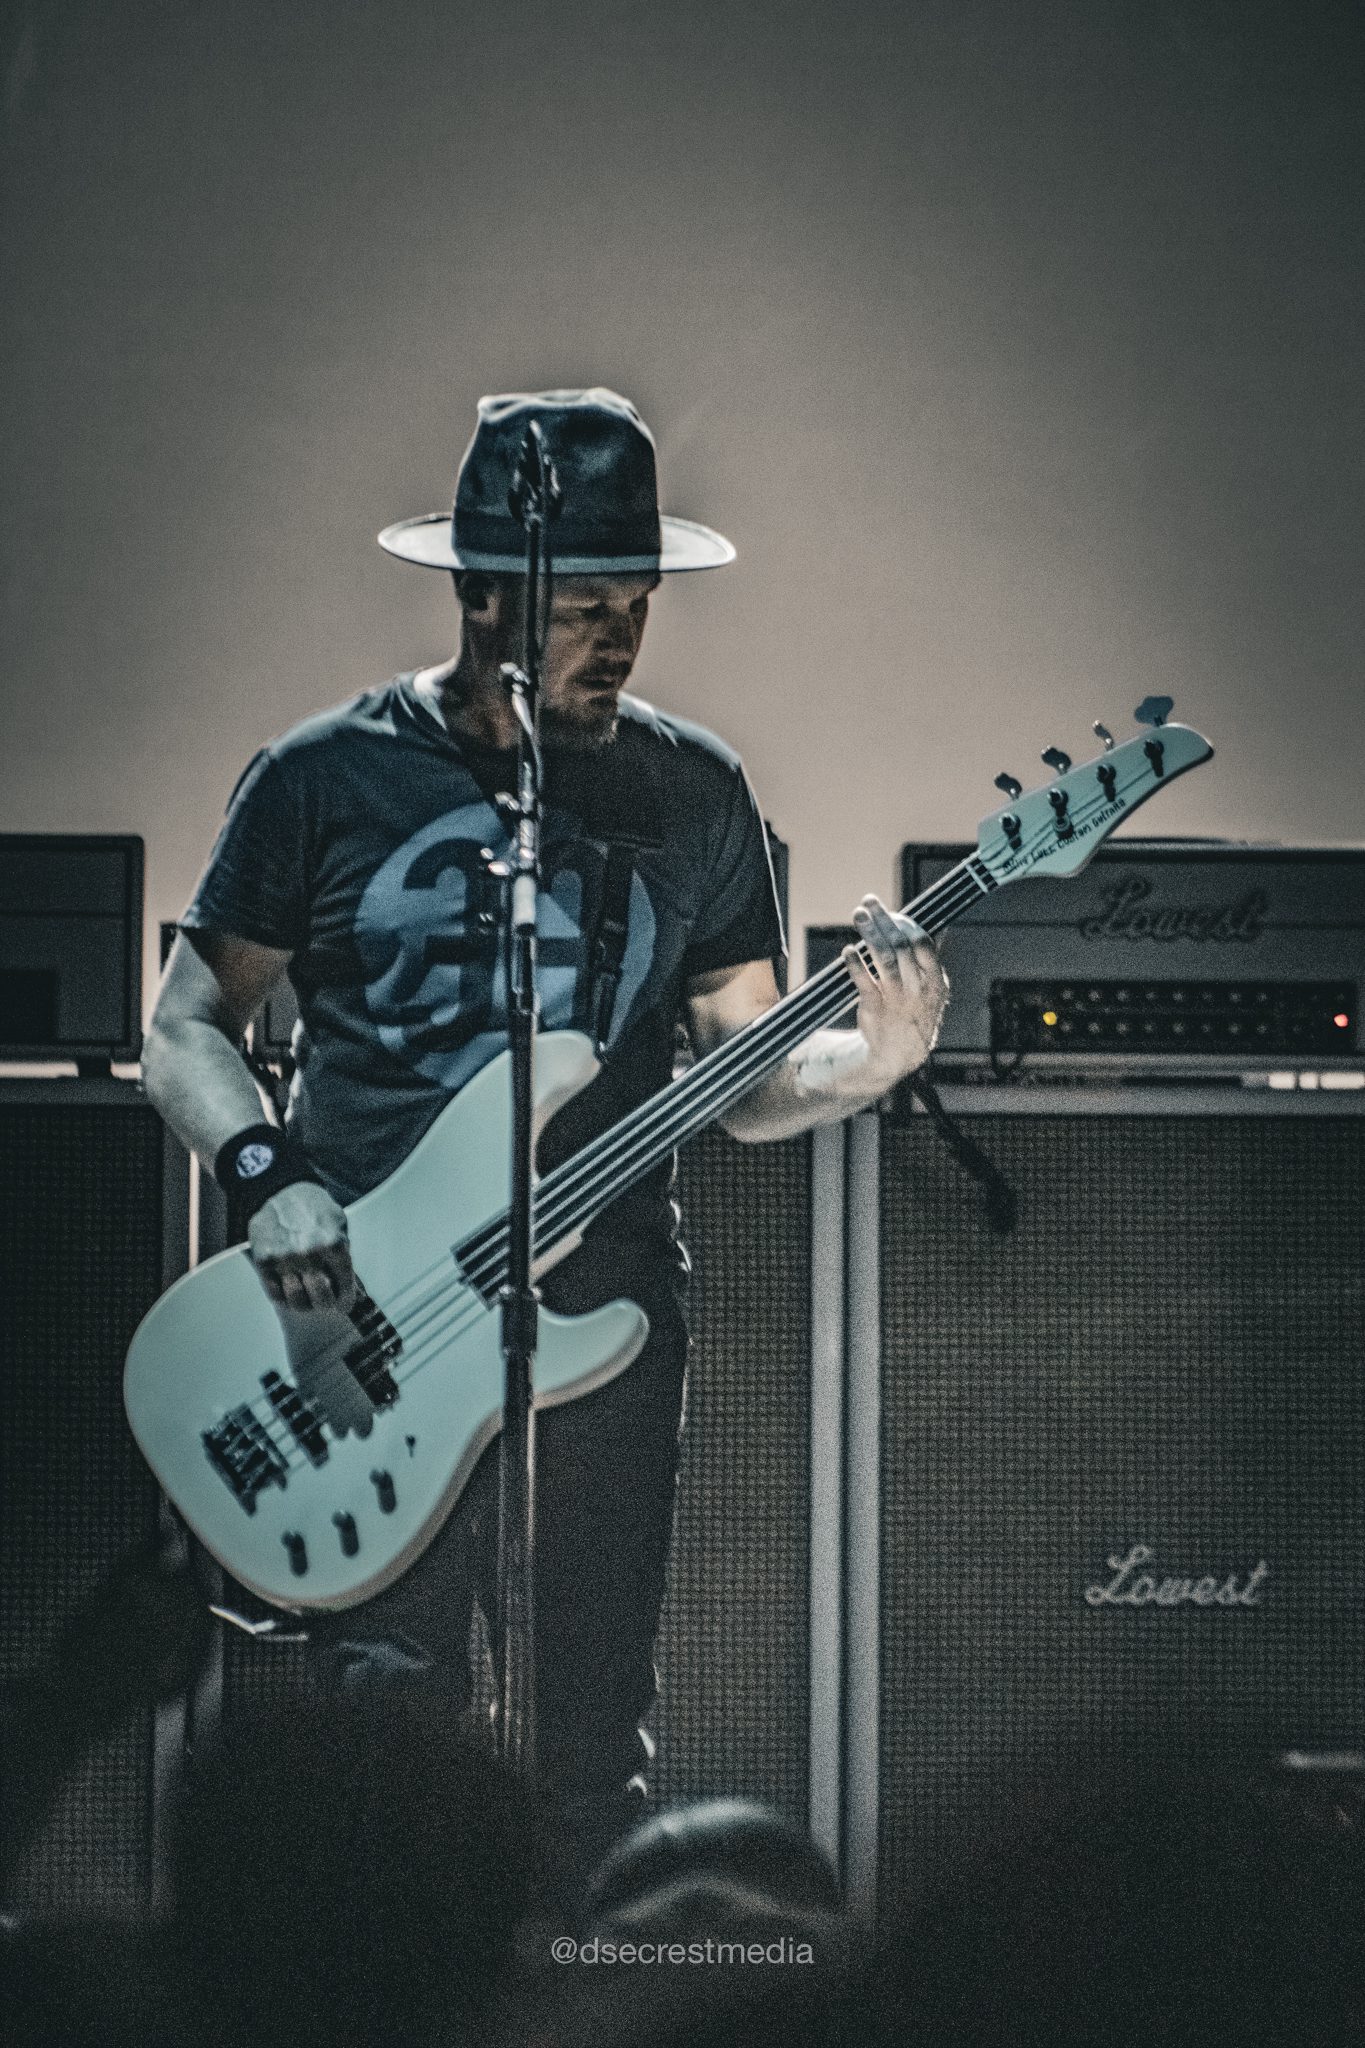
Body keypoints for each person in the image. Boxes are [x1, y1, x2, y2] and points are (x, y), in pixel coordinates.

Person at [142, 387, 948, 1888]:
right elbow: (184, 1026)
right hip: (354, 1308)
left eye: (636, 604)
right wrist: (270, 1181)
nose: (619, 639)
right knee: (388, 1728)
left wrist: (866, 1064)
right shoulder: (324, 777)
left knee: (593, 1753)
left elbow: (744, 1070)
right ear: (475, 591)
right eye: (581, 605)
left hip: (607, 1305)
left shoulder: (689, 791)